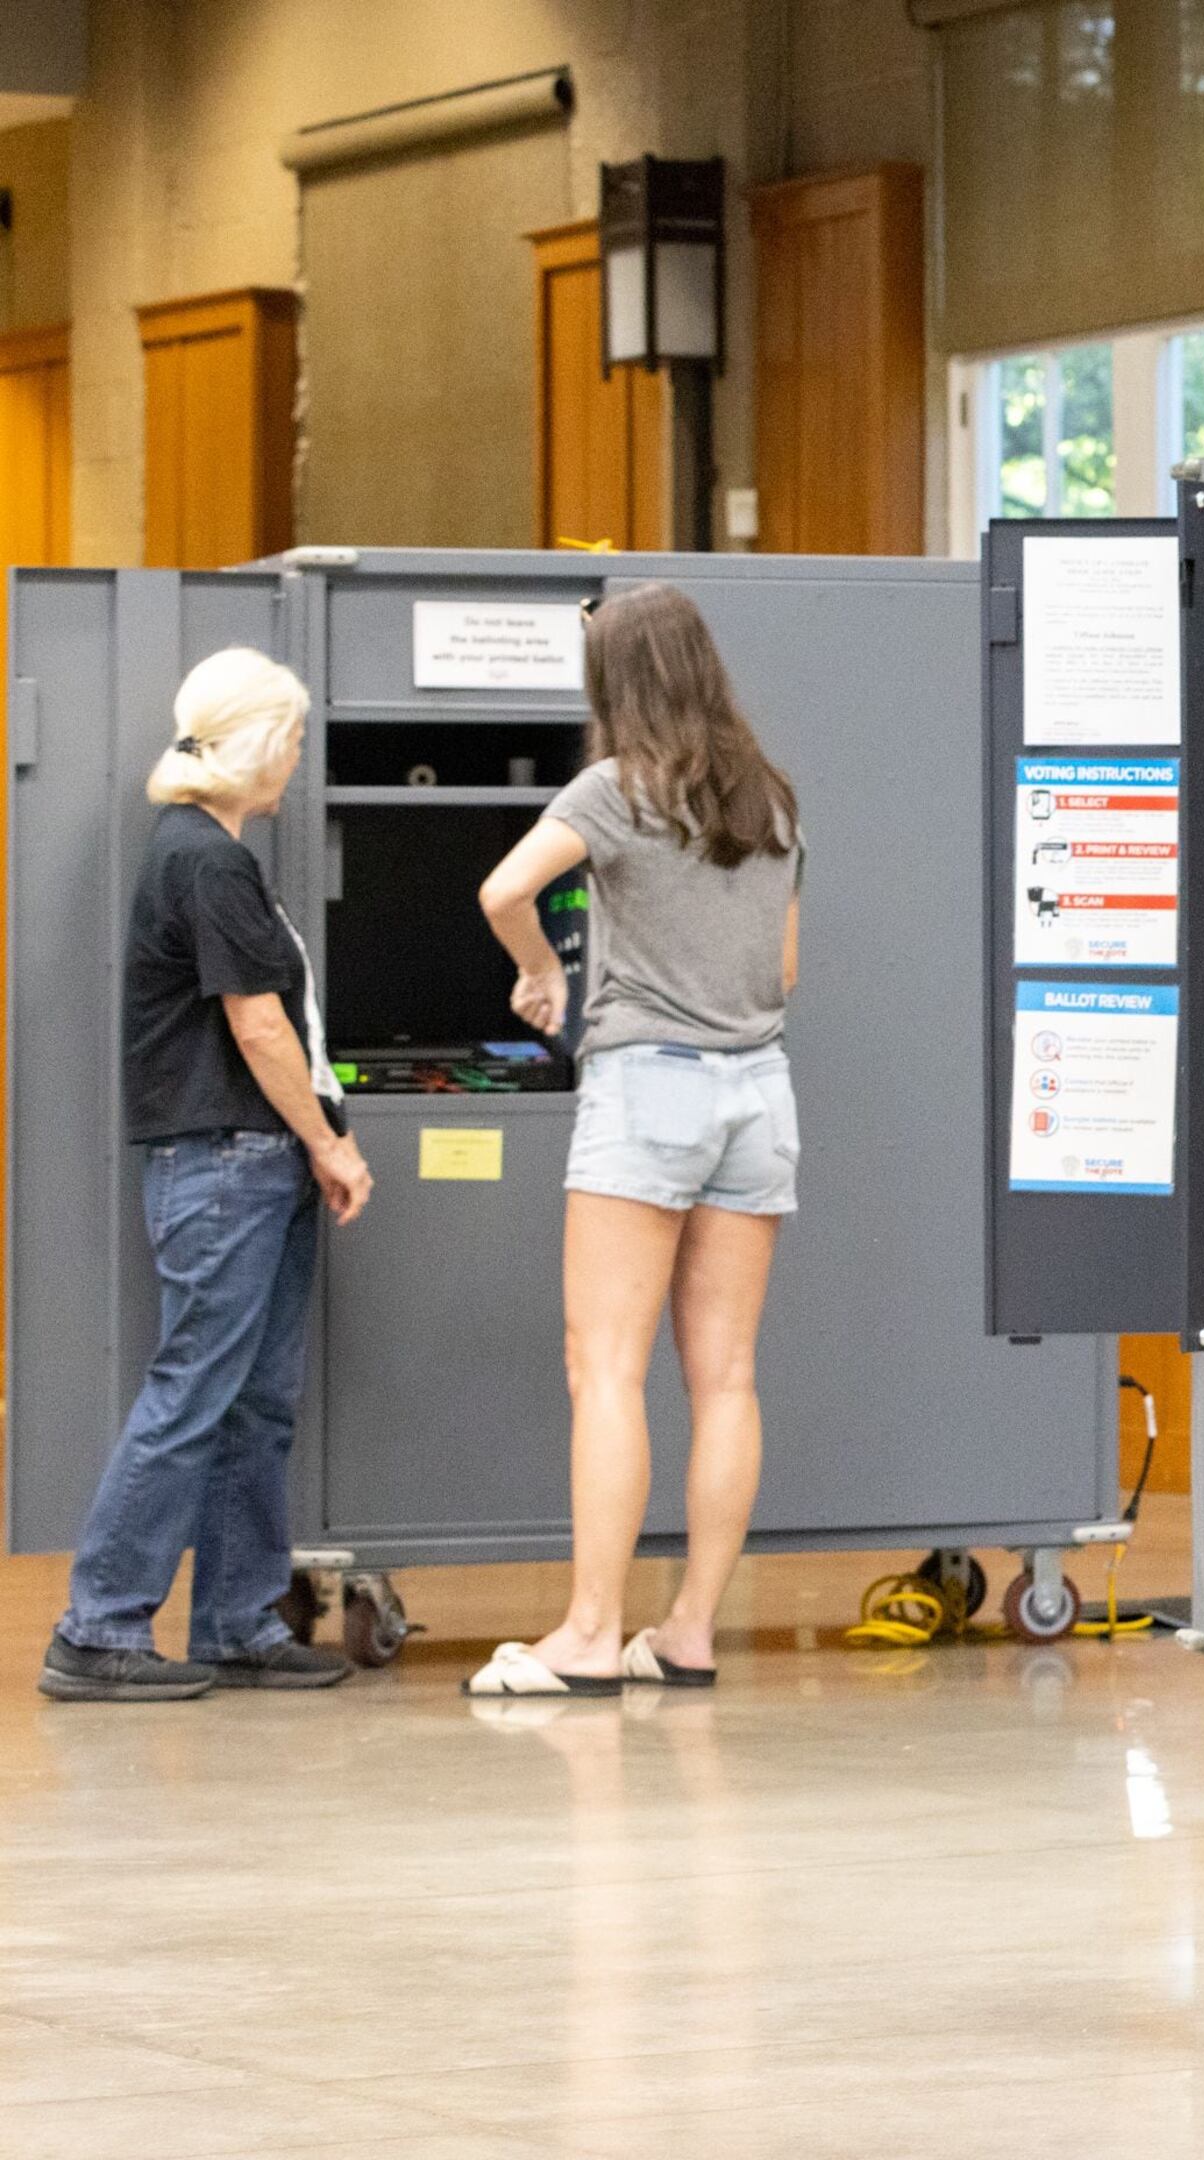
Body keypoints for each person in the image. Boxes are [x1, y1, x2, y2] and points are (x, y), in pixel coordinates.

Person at [463, 584, 803, 1699]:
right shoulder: (769, 798)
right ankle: (692, 1628)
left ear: (616, 681)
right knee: (727, 1377)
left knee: (605, 1366)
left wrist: (544, 969)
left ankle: (591, 1634)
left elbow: (503, 888)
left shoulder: (614, 790)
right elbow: (783, 975)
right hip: (760, 1094)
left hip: (648, 1086)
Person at [40, 649, 373, 1702]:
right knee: (196, 1392)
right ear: (258, 743)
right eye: (295, 738)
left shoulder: (206, 851)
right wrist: (328, 1140)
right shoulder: (207, 860)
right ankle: (98, 1627)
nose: (299, 757)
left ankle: (238, 1619)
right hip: (230, 1159)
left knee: (253, 1402)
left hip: (245, 1160)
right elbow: (259, 1022)